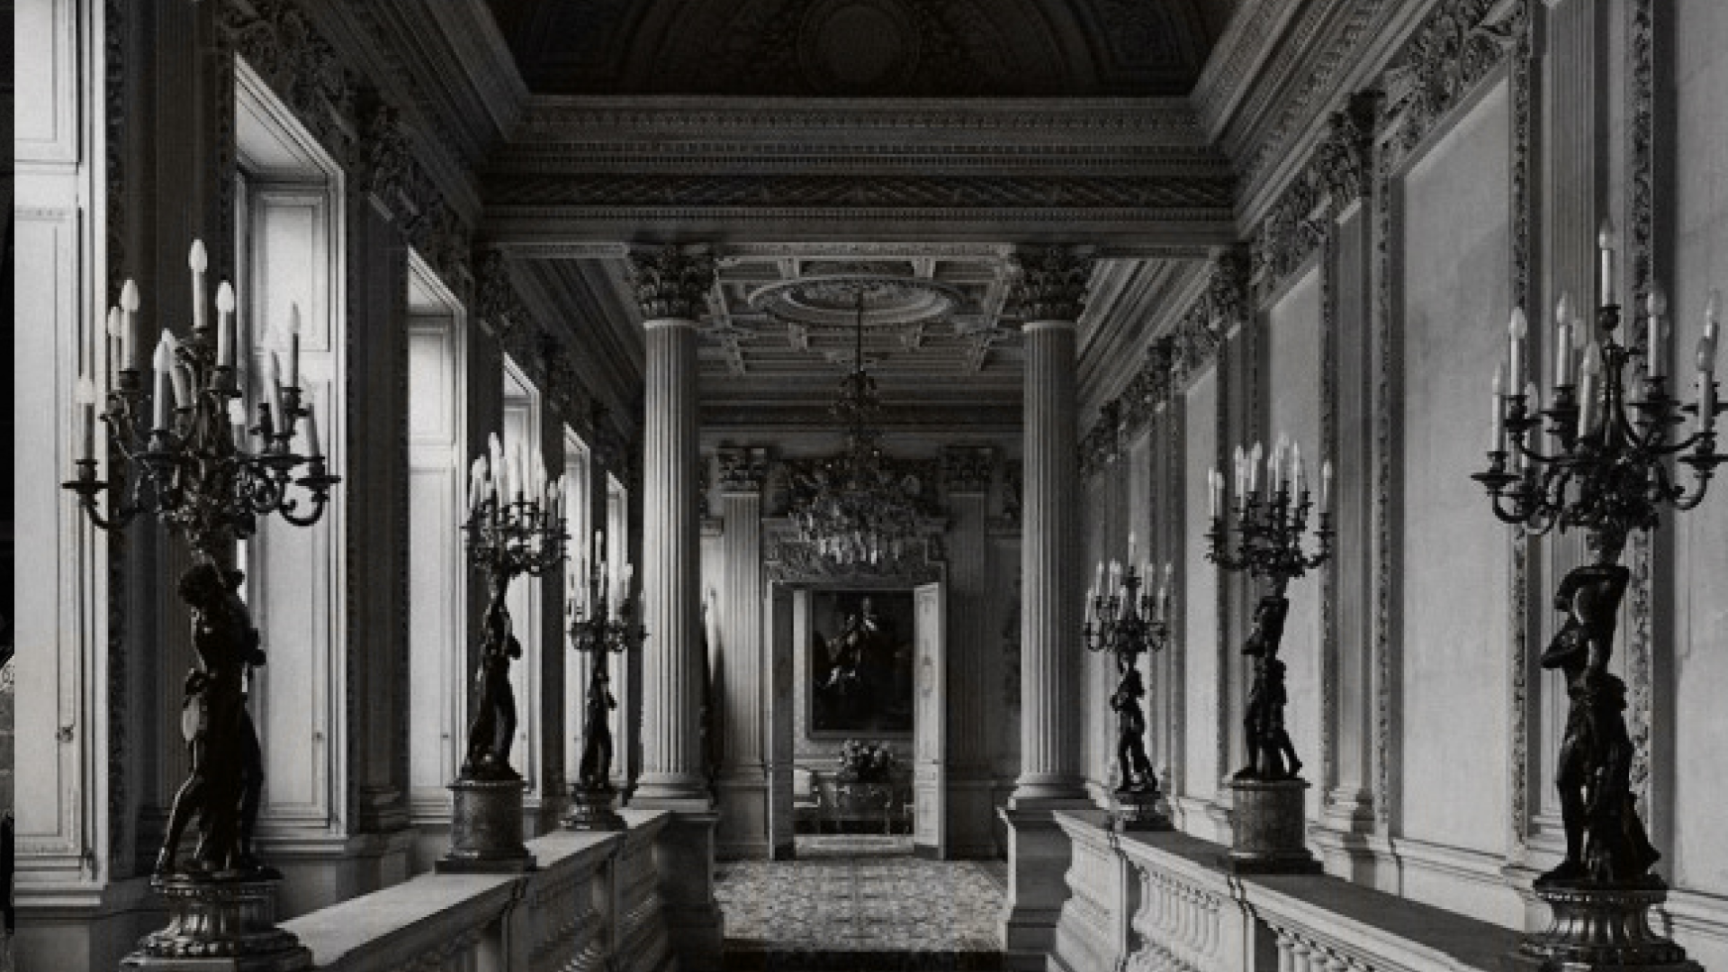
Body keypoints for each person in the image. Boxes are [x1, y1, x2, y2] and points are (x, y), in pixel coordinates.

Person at [1540, 531, 1658, 885]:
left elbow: (1617, 575)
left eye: (1609, 547)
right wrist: (1578, 622)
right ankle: (1574, 858)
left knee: (1596, 781)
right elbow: (1547, 658)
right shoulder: (1577, 629)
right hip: (1580, 706)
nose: (1600, 553)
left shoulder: (1598, 622)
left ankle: (1596, 857)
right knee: (1567, 780)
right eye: (1595, 546)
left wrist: (1578, 593)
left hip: (1594, 706)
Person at [158, 562, 268, 877]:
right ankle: (168, 852)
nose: (218, 593)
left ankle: (238, 850)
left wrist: (248, 648)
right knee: (204, 779)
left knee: (248, 775)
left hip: (232, 703)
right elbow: (228, 653)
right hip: (215, 705)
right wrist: (246, 647)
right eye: (212, 590)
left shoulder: (224, 611)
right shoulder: (207, 622)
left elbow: (243, 650)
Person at [1237, 594, 1302, 780]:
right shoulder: (1259, 636)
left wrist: (1264, 601)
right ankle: (1256, 764)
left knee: (1269, 728)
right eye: (1260, 617)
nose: (1261, 620)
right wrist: (1258, 618)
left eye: (1265, 617)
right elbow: (1244, 648)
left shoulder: (1273, 635)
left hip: (1269, 683)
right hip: (1260, 683)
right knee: (1251, 722)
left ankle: (1284, 763)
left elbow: (1284, 603)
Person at [464, 585, 522, 779]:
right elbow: (492, 643)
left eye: (501, 589)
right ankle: (472, 757)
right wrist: (502, 643)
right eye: (496, 589)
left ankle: (500, 759)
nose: (500, 593)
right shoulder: (491, 614)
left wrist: (509, 639)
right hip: (491, 673)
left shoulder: (502, 616)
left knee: (509, 718)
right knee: (485, 717)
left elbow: (516, 651)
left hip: (500, 674)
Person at [1110, 657, 1157, 793]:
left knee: (1127, 751)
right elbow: (1117, 701)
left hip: (1133, 720)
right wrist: (1117, 701)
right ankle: (1147, 778)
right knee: (1135, 751)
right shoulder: (1124, 678)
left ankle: (1131, 781)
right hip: (1127, 720)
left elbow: (1138, 693)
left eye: (1128, 660)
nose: (1126, 663)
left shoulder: (1133, 675)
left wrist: (1122, 699)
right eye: (1124, 660)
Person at [578, 669, 616, 790]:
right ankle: (588, 777)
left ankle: (602, 777)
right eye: (603, 682)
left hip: (602, 726)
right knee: (591, 752)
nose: (605, 685)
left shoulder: (604, 694)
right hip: (594, 727)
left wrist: (607, 694)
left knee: (607, 751)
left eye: (606, 682)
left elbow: (613, 705)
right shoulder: (595, 697)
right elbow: (593, 715)